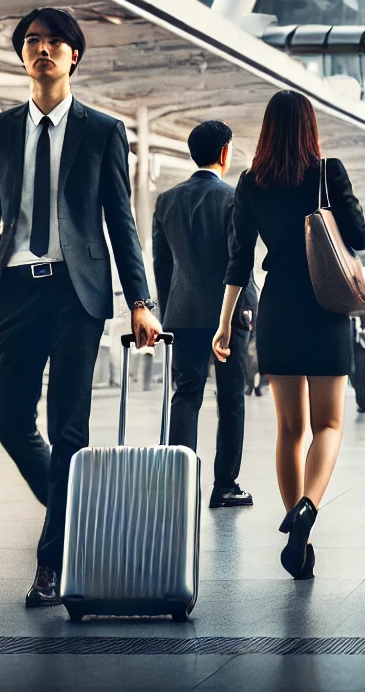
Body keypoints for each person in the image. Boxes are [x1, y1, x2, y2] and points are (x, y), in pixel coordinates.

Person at [0, 8, 161, 608]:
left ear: (74, 55)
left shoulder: (102, 130)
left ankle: (50, 565)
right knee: (10, 422)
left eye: (55, 42)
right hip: (15, 292)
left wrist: (141, 300)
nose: (43, 50)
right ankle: (75, 513)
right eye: (32, 42)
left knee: (69, 431)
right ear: (23, 56)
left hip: (77, 295)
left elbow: (121, 222)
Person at [215, 91, 365, 580]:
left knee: (289, 429)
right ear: (309, 127)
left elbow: (238, 260)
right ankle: (308, 507)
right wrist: (356, 222)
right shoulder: (329, 172)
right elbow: (361, 237)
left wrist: (224, 325)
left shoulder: (250, 182)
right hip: (325, 308)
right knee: (328, 425)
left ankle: (297, 539)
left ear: (267, 129)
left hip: (277, 308)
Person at [153, 120, 256, 510]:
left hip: (181, 315)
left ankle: (179, 483)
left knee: (186, 394)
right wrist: (247, 307)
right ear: (225, 153)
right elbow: (240, 260)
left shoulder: (166, 200)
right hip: (226, 317)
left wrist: (168, 313)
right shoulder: (233, 198)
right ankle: (224, 485)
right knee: (230, 400)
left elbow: (161, 265)